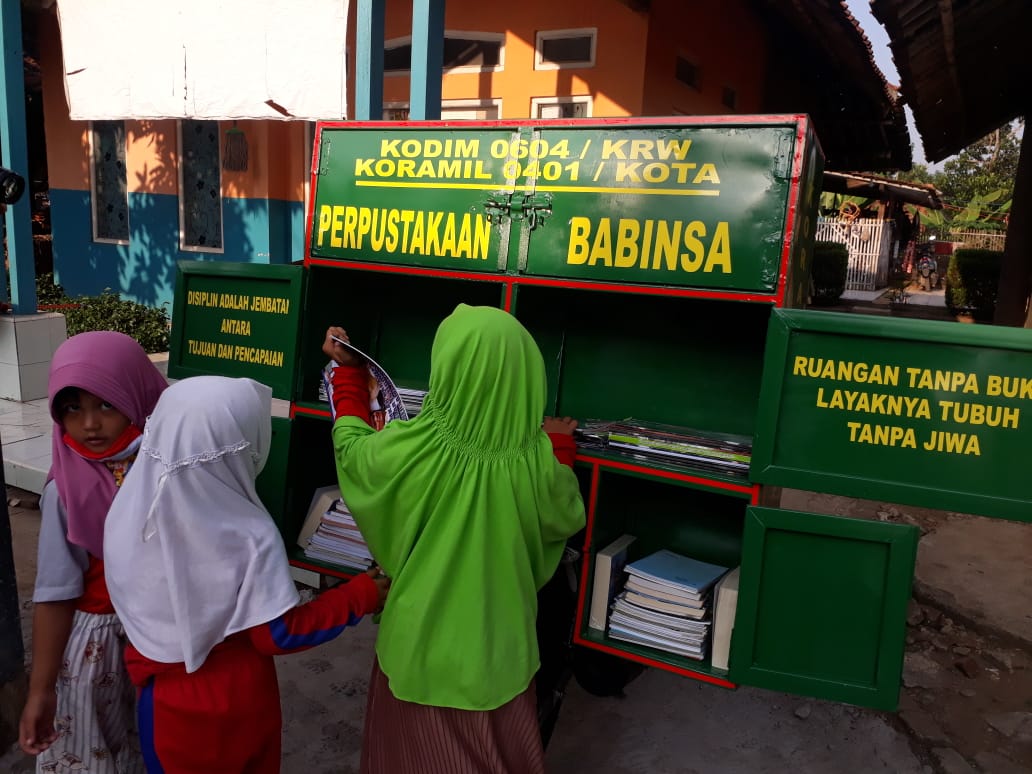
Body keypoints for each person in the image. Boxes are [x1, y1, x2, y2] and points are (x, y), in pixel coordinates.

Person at [321, 303, 586, 774]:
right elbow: (565, 511)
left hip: (417, 653)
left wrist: (347, 378)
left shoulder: (410, 448)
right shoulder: (540, 465)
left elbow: (352, 450)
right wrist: (560, 444)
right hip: (502, 658)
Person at [102, 375, 390, 774]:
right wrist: (360, 595)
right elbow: (276, 633)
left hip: (161, 706)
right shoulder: (248, 534)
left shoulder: (129, 512)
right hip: (236, 708)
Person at [18, 331, 168, 773]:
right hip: (96, 652)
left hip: (160, 638)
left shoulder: (166, 465)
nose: (89, 425)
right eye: (72, 408)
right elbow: (56, 594)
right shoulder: (65, 492)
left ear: (139, 394)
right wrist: (41, 690)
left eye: (106, 403)